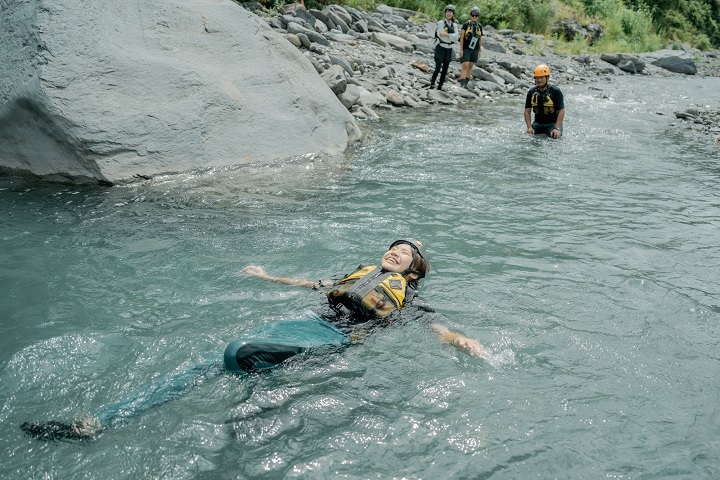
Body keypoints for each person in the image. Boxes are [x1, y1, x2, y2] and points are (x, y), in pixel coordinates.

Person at [234, 238, 489, 369]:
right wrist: (265, 276)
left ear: (413, 272)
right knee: (240, 351)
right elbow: (310, 284)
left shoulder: (408, 297)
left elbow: (434, 325)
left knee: (243, 352)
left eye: (404, 253)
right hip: (312, 321)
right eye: (394, 248)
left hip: (338, 339)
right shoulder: (359, 276)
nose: (395, 252)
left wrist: (458, 340)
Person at [524, 64, 565, 138]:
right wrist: (529, 127)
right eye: (537, 78)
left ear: (547, 78)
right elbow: (527, 111)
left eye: (541, 77)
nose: (539, 80)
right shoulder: (531, 92)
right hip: (537, 123)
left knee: (554, 139)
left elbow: (561, 110)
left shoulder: (555, 91)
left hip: (553, 124)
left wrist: (557, 128)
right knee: (528, 138)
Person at [429, 5, 459, 91]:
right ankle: (432, 84)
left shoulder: (454, 25)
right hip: (440, 47)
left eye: (450, 12)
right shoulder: (441, 23)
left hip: (449, 49)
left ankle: (440, 86)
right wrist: (451, 36)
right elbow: (440, 35)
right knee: (438, 68)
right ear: (445, 13)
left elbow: (456, 37)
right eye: (447, 12)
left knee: (445, 70)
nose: (449, 14)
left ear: (453, 14)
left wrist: (447, 35)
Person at [458, 7, 483, 89]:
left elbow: (480, 39)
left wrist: (479, 50)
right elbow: (461, 38)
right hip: (466, 48)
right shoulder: (466, 25)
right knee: (465, 65)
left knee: (470, 66)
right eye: (473, 15)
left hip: (475, 49)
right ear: (470, 15)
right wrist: (461, 49)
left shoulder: (479, 26)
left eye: (476, 15)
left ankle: (466, 83)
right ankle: (462, 83)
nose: (474, 17)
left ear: (478, 16)